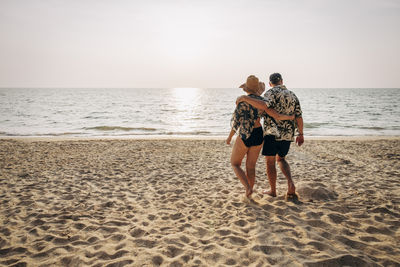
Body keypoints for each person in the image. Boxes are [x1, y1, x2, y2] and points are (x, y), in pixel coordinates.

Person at [236, 73, 303, 200]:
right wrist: (301, 133)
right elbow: (299, 116)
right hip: (288, 133)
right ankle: (290, 182)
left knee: (270, 162)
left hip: (271, 133)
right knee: (281, 159)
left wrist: (245, 98)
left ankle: (273, 191)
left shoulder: (269, 94)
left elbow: (263, 106)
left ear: (270, 83)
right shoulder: (293, 95)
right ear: (282, 81)